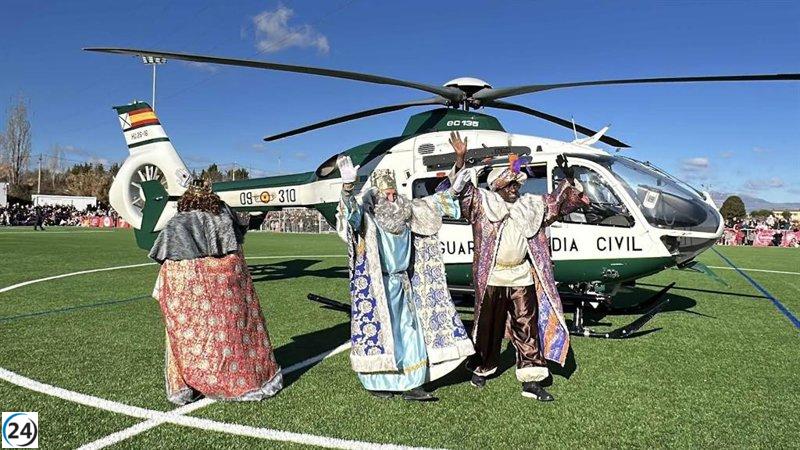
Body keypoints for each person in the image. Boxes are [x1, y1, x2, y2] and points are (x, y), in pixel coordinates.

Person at [446, 132, 589, 401]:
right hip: (492, 275)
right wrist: (460, 159)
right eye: (509, 184)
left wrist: (569, 180)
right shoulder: (481, 203)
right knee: (488, 326)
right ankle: (482, 366)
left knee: (527, 325)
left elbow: (560, 203)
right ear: (498, 186)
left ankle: (532, 379)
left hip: (522, 275)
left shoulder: (531, 205)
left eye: (516, 184)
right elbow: (459, 192)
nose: (514, 188)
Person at [336, 155, 474, 402]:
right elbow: (350, 215)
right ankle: (378, 382)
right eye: (386, 194)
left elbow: (433, 203)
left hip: (402, 282)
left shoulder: (406, 210)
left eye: (393, 193)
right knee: (381, 334)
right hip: (378, 285)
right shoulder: (368, 214)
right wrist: (348, 187)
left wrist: (455, 186)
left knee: (409, 331)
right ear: (377, 194)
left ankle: (414, 383)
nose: (391, 198)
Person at [149, 180, 282, 404]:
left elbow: (165, 254)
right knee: (233, 329)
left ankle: (191, 382)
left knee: (191, 332)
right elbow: (248, 222)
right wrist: (266, 204)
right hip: (228, 282)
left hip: (188, 284)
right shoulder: (225, 213)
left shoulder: (179, 221)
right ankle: (243, 376)